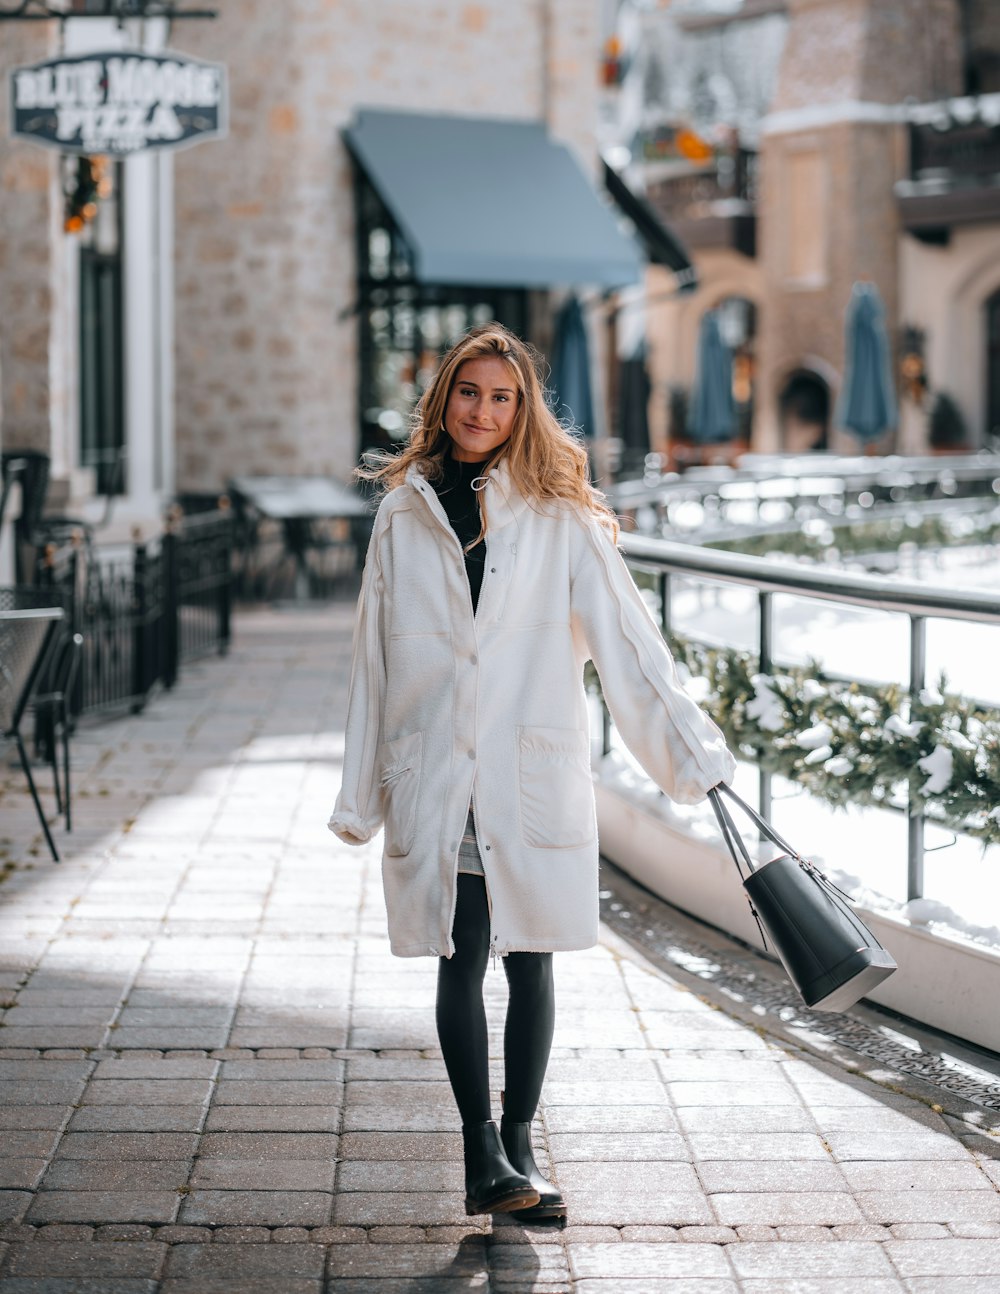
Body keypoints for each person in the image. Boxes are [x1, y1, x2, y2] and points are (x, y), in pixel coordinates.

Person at [329, 323, 735, 1220]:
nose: (482, 411)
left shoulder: (563, 516)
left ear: (523, 410)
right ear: (444, 401)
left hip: (528, 768)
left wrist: (692, 758)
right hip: (437, 770)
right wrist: (361, 795)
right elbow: (372, 660)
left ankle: (518, 1147)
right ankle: (482, 1146)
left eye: (501, 397)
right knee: (461, 949)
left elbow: (634, 648)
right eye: (468, 393)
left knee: (534, 958)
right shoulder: (404, 512)